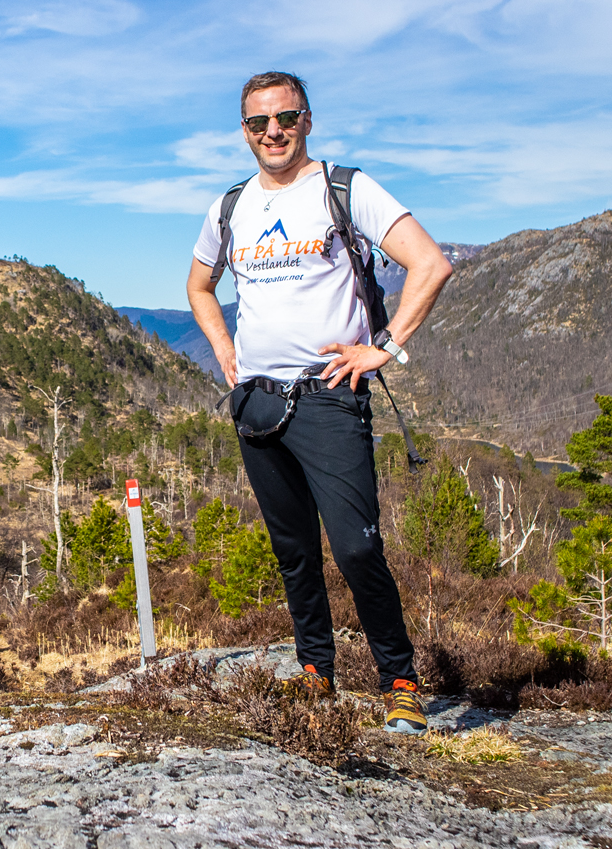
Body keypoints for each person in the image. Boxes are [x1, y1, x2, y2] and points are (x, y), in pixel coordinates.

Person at [185, 71, 452, 733]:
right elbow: (198, 286)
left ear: (307, 120)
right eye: (258, 123)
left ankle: (398, 681)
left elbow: (430, 262)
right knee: (294, 550)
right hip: (257, 403)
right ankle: (315, 672)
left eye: (285, 118)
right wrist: (225, 350)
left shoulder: (345, 188)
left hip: (331, 394)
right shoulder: (230, 207)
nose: (272, 132)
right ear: (244, 131)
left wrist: (382, 347)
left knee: (358, 548)